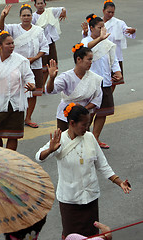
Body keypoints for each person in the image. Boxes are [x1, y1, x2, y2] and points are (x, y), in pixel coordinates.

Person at [35, 104, 131, 239]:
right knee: (71, 236)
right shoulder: (60, 139)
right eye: (84, 125)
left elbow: (102, 165)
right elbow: (39, 157)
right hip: (69, 201)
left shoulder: (90, 138)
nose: (86, 128)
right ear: (72, 123)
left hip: (90, 198)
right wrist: (50, 150)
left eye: (88, 124)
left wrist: (119, 182)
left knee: (92, 236)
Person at [0, 32, 35, 151]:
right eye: (8, 44)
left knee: (13, 136)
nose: (11, 46)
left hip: (15, 104)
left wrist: (32, 85)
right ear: (0, 45)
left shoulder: (20, 61)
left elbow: (29, 76)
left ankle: (10, 159)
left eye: (12, 43)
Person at [0, 4, 49, 128]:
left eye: (28, 15)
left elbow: (44, 47)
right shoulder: (14, 28)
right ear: (20, 17)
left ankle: (28, 117)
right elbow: (2, 29)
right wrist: (3, 17)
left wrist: (34, 59)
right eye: (24, 15)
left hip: (35, 65)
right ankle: (14, 117)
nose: (26, 18)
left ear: (32, 16)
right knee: (15, 91)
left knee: (33, 93)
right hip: (17, 65)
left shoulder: (38, 31)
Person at [81, 14, 122, 149]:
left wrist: (117, 72)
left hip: (105, 83)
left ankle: (95, 138)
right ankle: (84, 138)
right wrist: (100, 39)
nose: (102, 29)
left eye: (103, 27)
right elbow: (87, 48)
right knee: (89, 112)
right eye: (99, 27)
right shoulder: (86, 42)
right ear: (91, 28)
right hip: (91, 84)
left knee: (103, 112)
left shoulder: (107, 44)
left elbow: (113, 60)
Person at [46, 43, 103, 131]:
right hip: (65, 116)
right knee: (64, 140)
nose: (91, 62)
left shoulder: (95, 78)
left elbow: (97, 99)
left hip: (83, 116)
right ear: (79, 59)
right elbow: (50, 90)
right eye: (89, 59)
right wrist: (52, 78)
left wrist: (82, 109)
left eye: (92, 59)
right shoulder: (66, 77)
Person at [82, 0, 136, 91]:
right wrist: (85, 32)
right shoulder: (96, 23)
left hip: (115, 55)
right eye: (108, 12)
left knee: (113, 80)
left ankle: (109, 95)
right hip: (99, 55)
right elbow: (87, 41)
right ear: (103, 11)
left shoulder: (119, 23)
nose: (110, 14)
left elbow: (127, 31)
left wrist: (132, 31)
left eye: (112, 12)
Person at [32, 0, 66, 88]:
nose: (40, 5)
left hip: (50, 42)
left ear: (45, 4)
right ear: (35, 5)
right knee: (43, 66)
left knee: (51, 64)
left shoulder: (50, 11)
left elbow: (62, 8)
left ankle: (46, 84)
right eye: (38, 4)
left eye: (41, 3)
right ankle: (41, 85)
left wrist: (64, 12)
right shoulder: (33, 16)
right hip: (40, 44)